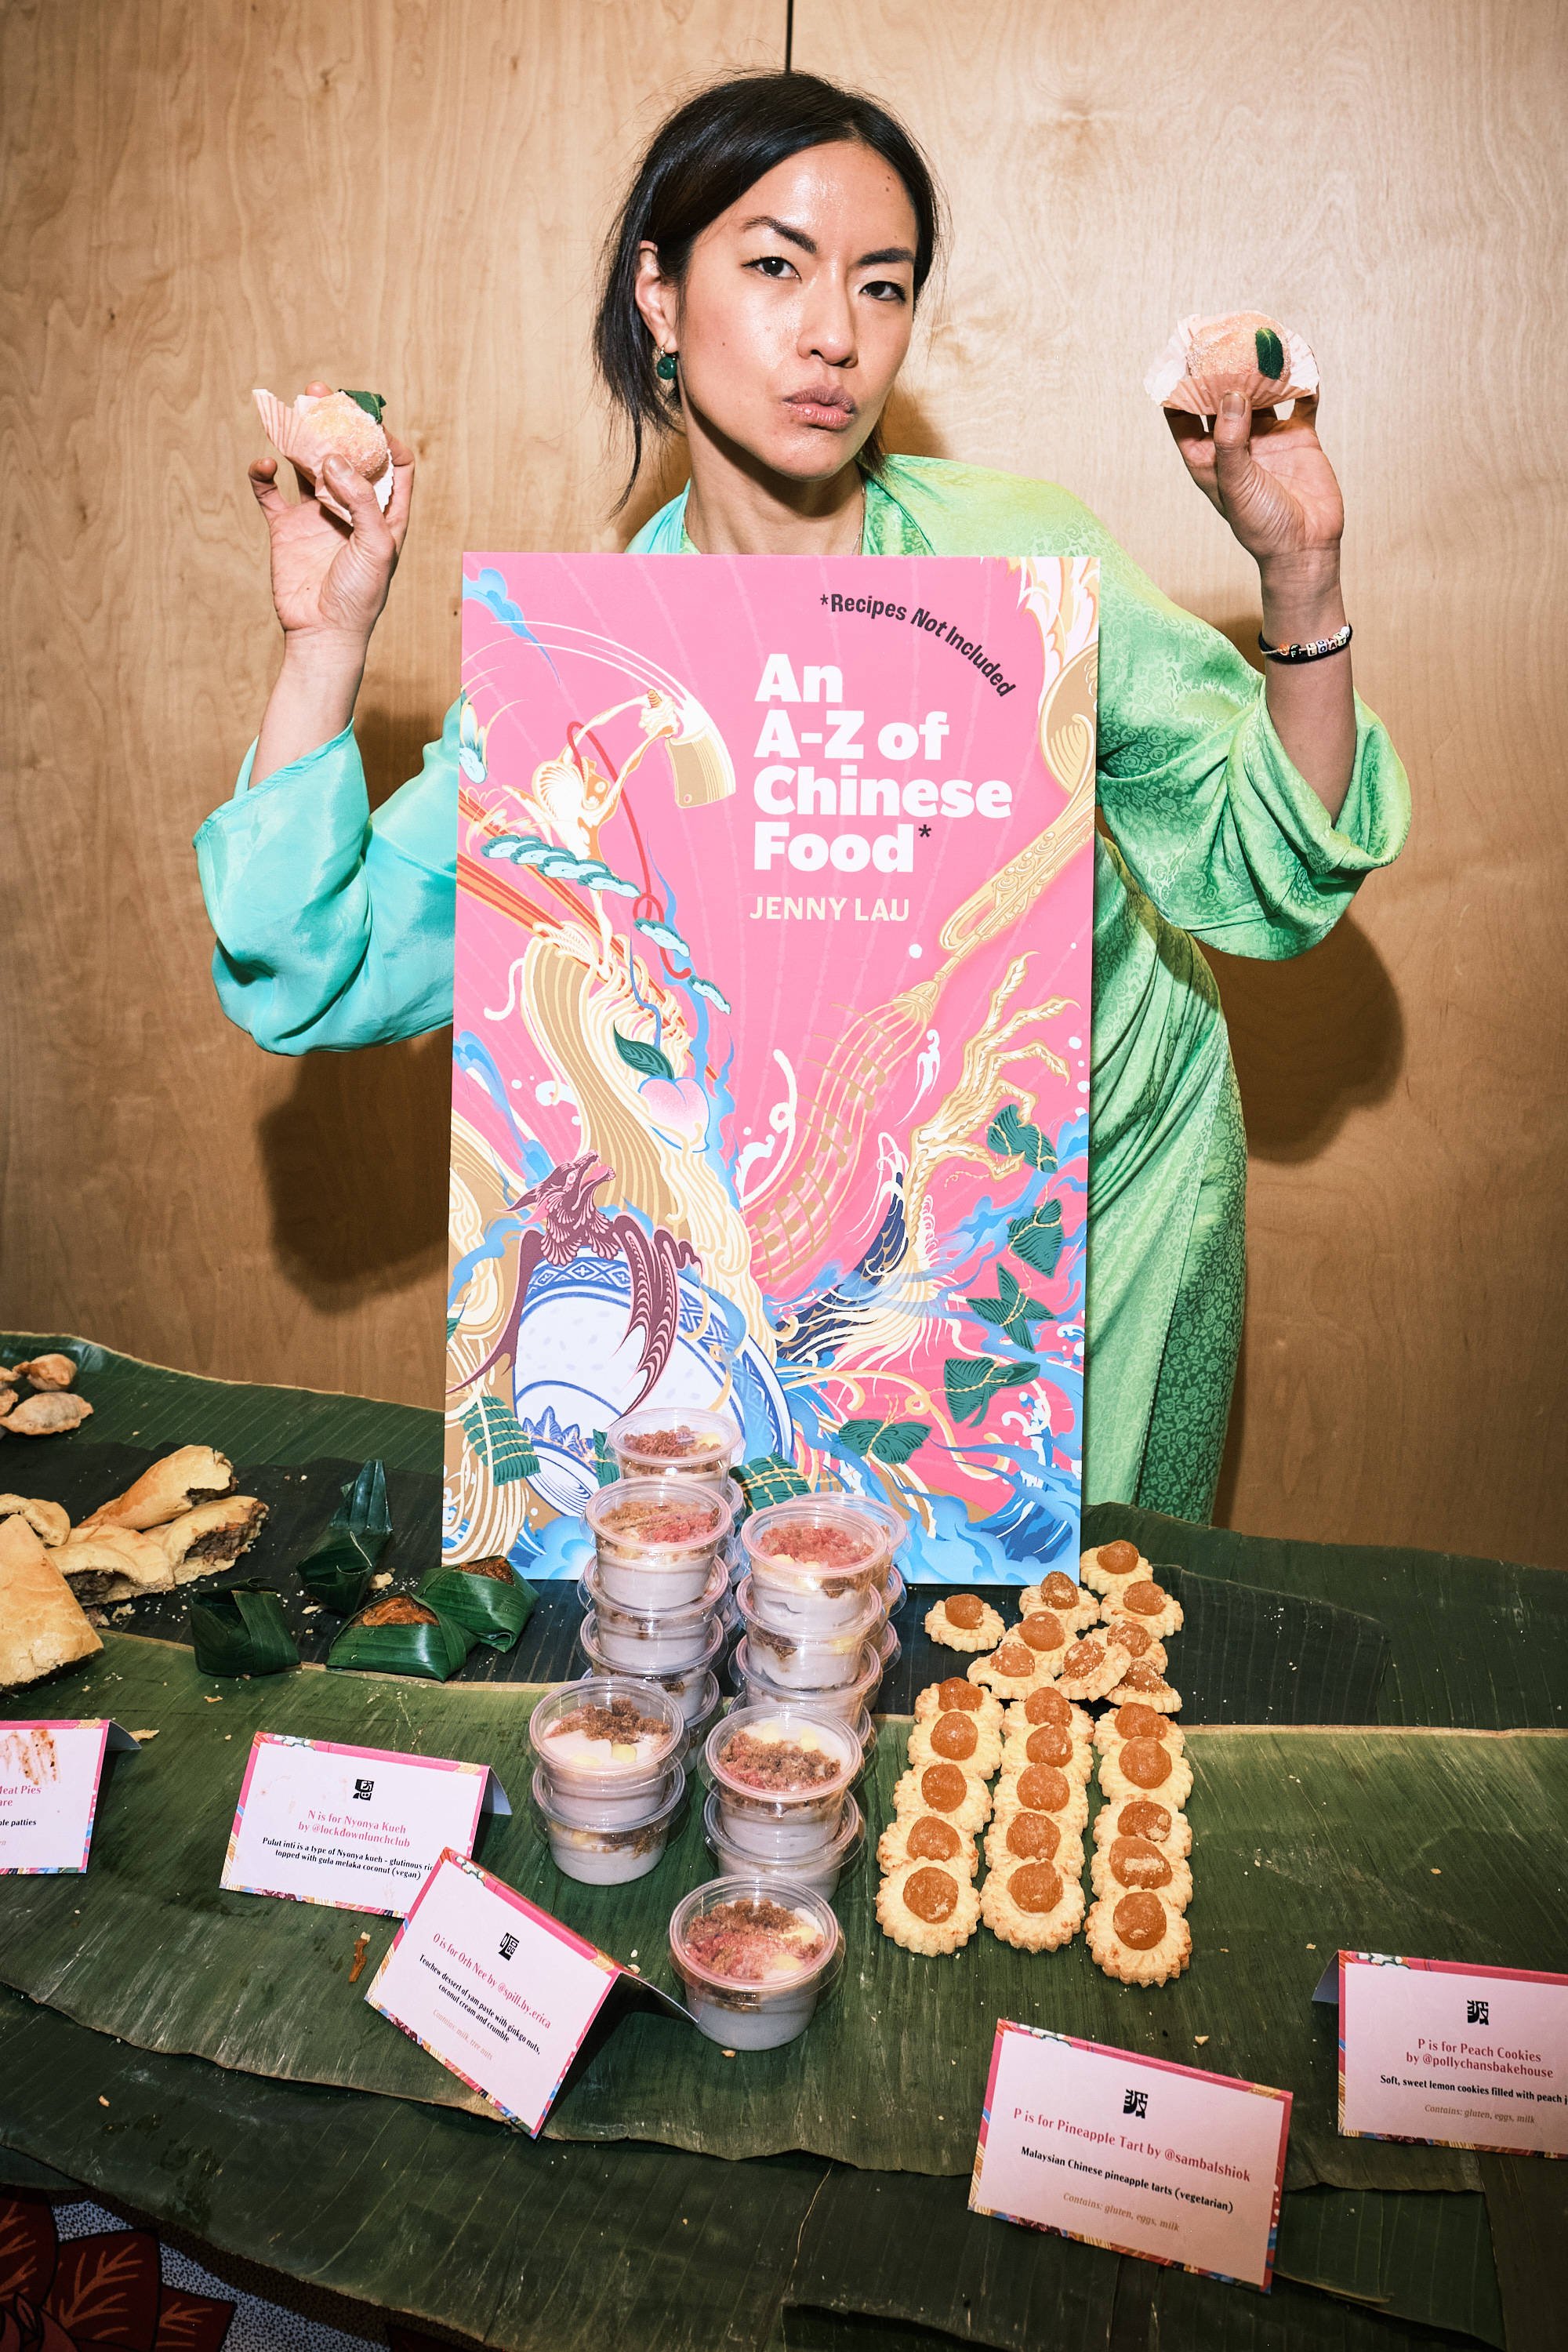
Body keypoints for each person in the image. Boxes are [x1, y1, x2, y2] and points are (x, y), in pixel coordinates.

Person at [195, 71, 1409, 1523]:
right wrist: (325, 640)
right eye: (775, 265)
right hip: (775, 1256)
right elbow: (310, 964)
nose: (836, 333)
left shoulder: (1014, 565)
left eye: (882, 286)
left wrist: (1302, 573)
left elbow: (1272, 863)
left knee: (1033, 1684)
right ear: (659, 290)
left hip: (1096, 1208)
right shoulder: (590, 662)